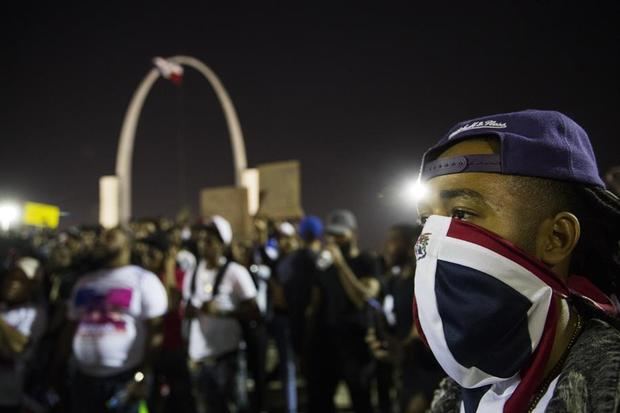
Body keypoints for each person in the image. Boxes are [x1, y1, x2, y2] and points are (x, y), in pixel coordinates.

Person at [413, 110, 620, 412]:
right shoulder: (457, 393)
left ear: (557, 238)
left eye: (461, 214)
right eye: (425, 220)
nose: (432, 239)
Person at [66, 227, 168, 413]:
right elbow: (70, 327)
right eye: (102, 237)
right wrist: (58, 367)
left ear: (128, 244)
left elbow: (156, 333)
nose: (102, 240)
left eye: (110, 237)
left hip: (124, 380)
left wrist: (142, 375)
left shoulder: (144, 280)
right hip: (83, 379)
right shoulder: (84, 282)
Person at [183, 215, 260, 413]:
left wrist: (224, 312)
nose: (203, 244)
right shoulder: (192, 273)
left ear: (222, 245)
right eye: (201, 239)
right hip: (198, 358)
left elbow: (254, 311)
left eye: (209, 240)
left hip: (226, 357)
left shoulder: (235, 272)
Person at [306, 209, 381, 413]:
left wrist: (341, 265)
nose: (335, 240)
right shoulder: (324, 265)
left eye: (340, 235)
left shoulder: (366, 260)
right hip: (327, 344)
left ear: (353, 234)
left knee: (360, 398)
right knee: (321, 400)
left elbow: (363, 296)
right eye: (331, 235)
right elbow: (316, 303)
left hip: (355, 344)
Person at [366, 224, 444, 413]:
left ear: (411, 245)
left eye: (393, 241)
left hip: (430, 370)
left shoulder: (424, 279)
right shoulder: (394, 281)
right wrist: (378, 339)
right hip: (407, 368)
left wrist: (401, 347)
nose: (387, 247)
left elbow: (424, 323)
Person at [0, 265, 46, 412]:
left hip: (8, 395)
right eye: (10, 278)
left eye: (20, 280)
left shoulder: (33, 313)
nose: (13, 283)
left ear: (30, 287)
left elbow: (18, 346)